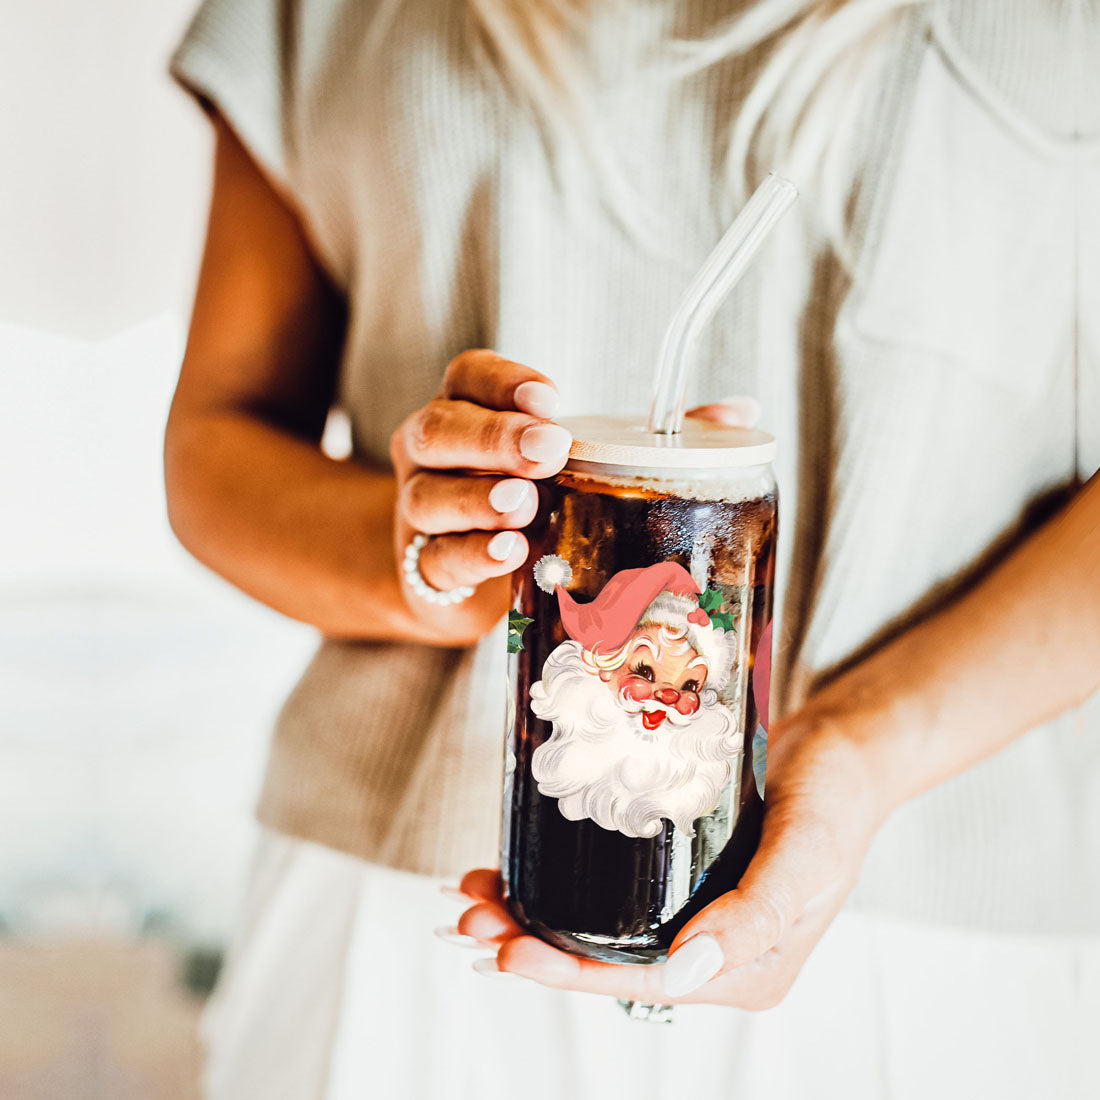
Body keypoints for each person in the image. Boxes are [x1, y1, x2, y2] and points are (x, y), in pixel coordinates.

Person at [165, 0, 1099, 1096]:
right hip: (398, 906)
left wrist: (858, 744)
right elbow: (217, 439)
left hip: (937, 934)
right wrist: (434, 561)